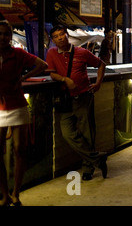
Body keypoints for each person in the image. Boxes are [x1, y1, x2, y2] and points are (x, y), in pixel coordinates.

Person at [46, 25, 107, 181]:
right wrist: (64, 79)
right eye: (56, 36)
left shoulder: (82, 52)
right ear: (53, 40)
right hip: (65, 100)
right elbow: (51, 73)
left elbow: (101, 64)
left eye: (62, 35)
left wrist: (98, 83)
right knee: (67, 133)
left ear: (67, 35)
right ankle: (97, 158)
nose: (60, 38)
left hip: (83, 97)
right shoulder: (51, 53)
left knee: (88, 133)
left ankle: (88, 168)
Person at [0, 20, 48, 206]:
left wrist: (22, 78)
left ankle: (16, 193)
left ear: (10, 37)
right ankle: (4, 194)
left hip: (18, 105)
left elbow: (42, 65)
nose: (3, 37)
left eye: (6, 34)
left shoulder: (18, 54)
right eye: (0, 34)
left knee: (20, 150)